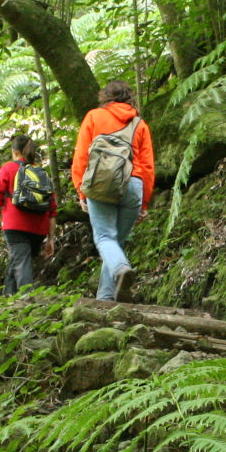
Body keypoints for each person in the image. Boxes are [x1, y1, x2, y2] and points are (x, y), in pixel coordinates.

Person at [71, 80, 153, 303]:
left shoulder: (94, 116)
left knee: (105, 238)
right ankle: (106, 297)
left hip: (100, 183)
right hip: (133, 183)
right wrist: (144, 202)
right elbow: (147, 166)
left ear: (105, 97)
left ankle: (120, 269)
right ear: (129, 98)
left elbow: (81, 156)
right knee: (116, 242)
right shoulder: (139, 124)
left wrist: (81, 190)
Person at [0, 133, 57, 295]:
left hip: (15, 225)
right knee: (18, 260)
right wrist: (51, 238)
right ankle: (8, 298)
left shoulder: (9, 168)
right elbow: (52, 208)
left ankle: (27, 299)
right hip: (39, 228)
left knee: (21, 262)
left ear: (15, 152)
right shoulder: (41, 172)